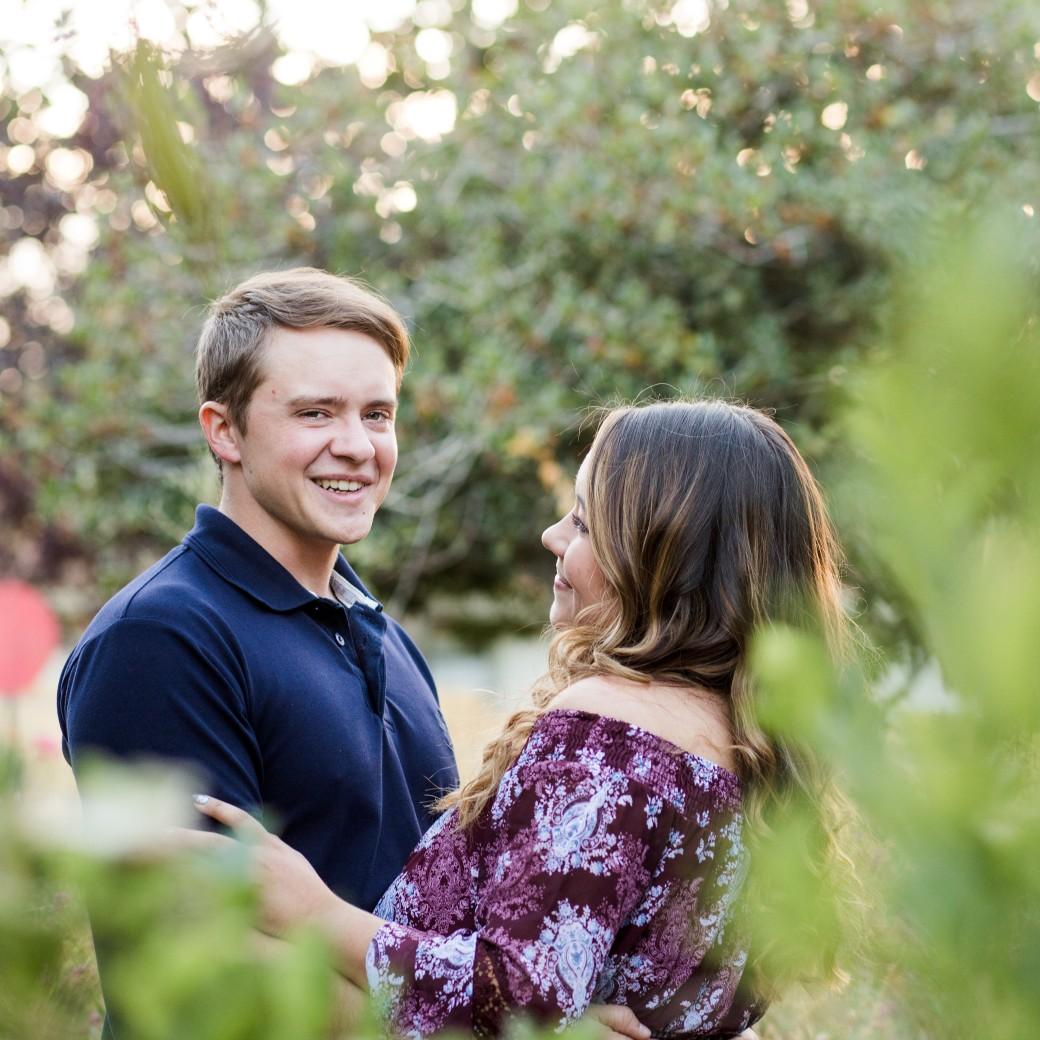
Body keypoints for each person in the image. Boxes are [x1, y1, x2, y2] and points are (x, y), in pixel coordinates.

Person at [185, 398, 850, 1038]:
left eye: (586, 524)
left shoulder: (610, 736)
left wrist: (314, 910)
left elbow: (517, 995)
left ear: (662, 562)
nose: (552, 534)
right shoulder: (750, 747)